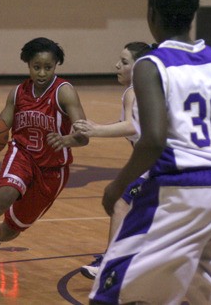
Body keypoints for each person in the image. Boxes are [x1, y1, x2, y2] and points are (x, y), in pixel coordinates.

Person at [89, 0, 211, 304]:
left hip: (182, 191)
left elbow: (152, 139)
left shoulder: (151, 64)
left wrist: (117, 186)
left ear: (152, 12)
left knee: (110, 291)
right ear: (194, 13)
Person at [0, 37, 88, 282]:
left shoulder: (64, 92)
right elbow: (1, 127)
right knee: (5, 195)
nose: (42, 73)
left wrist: (69, 140)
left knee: (13, 228)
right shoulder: (18, 92)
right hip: (22, 154)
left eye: (48, 67)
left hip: (53, 169)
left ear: (56, 66)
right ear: (28, 65)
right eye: (36, 67)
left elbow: (84, 135)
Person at [74, 42, 153, 279]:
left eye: (125, 62)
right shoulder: (146, 90)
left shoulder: (133, 91)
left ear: (139, 67)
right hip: (162, 163)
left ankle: (111, 263)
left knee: (120, 202)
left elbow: (131, 126)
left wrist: (96, 130)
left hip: (157, 164)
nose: (117, 65)